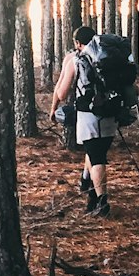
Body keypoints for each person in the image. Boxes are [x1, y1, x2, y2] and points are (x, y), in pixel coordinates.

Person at [49, 25, 119, 219]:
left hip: (88, 115)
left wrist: (54, 108)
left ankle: (102, 202)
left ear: (77, 43)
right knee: (96, 151)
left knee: (97, 158)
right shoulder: (108, 56)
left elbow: (62, 92)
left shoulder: (76, 59)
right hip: (111, 113)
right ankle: (87, 184)